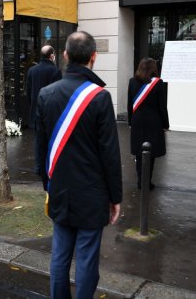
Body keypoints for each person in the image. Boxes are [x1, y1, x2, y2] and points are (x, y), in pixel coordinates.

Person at [35, 31, 122, 298]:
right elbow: (109, 153)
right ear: (94, 57)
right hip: (93, 192)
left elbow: (40, 149)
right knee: (86, 260)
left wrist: (47, 184)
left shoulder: (46, 94)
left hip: (60, 188)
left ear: (64, 55)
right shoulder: (100, 98)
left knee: (59, 256)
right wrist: (115, 196)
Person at [127, 57, 169, 190]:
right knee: (151, 154)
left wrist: (130, 121)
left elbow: (129, 104)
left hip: (137, 121)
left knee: (140, 154)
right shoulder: (158, 83)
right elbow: (162, 106)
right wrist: (165, 124)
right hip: (154, 122)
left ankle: (141, 182)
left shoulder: (132, 81)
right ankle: (147, 182)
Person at [26, 45, 62, 187]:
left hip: (36, 111)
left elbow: (28, 91)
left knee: (39, 141)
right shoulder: (55, 71)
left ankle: (39, 166)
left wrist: (33, 106)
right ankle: (50, 165)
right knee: (52, 141)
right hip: (51, 113)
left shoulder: (32, 70)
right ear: (51, 55)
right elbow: (58, 94)